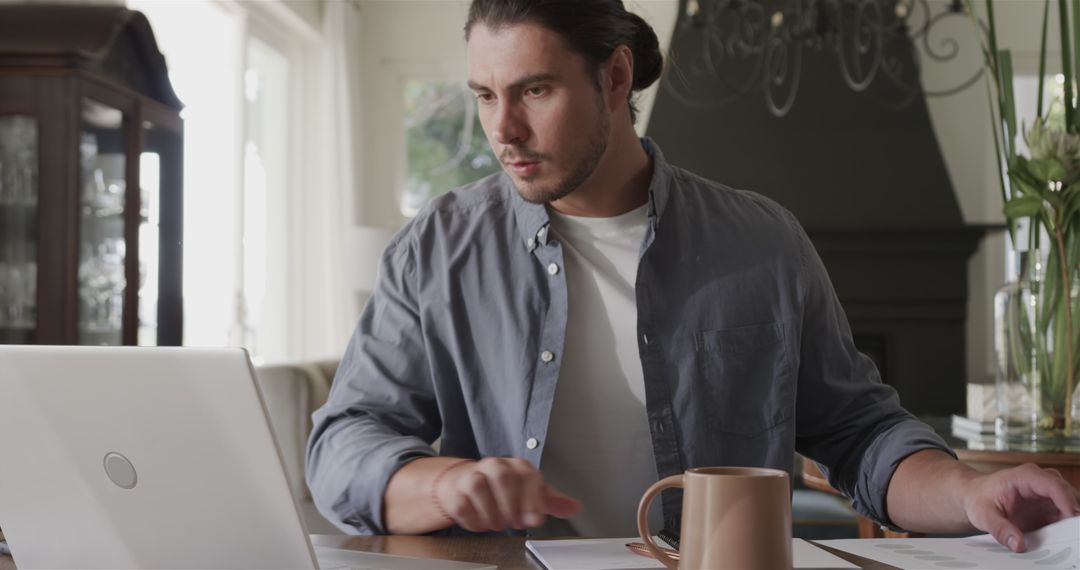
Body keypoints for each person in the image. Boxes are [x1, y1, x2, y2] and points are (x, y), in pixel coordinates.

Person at [307, 0, 1080, 550]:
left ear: (616, 78)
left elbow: (861, 434)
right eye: (485, 95)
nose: (502, 130)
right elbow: (344, 442)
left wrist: (970, 492)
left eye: (534, 90)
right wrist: (439, 485)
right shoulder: (437, 249)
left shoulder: (762, 244)